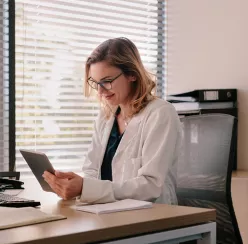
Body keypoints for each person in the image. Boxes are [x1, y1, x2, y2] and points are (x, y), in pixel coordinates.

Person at [43, 37, 182, 205]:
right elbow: (91, 171)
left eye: (107, 81)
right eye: (95, 83)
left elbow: (150, 186)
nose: (100, 91)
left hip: (152, 215)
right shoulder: (105, 117)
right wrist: (76, 186)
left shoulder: (160, 114)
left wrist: (86, 189)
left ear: (132, 74)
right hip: (108, 213)